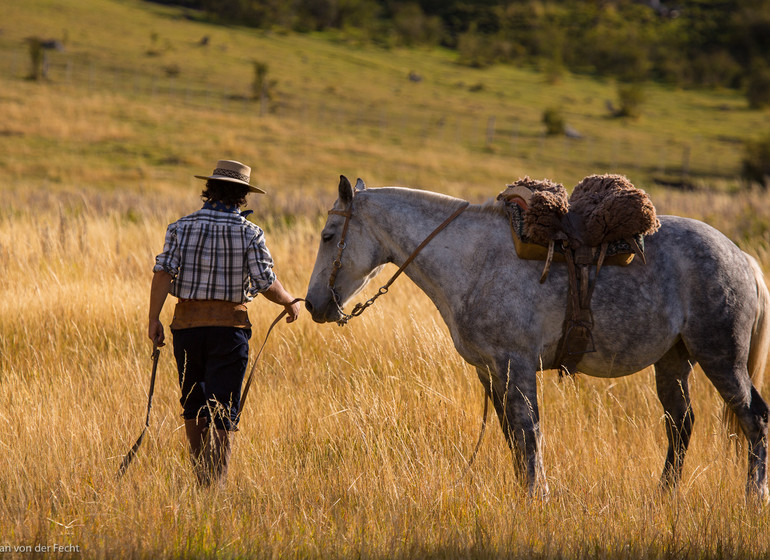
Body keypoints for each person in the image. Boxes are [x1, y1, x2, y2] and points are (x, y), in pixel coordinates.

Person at [148, 159, 301, 486]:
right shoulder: (250, 233)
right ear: (242, 196)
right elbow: (264, 282)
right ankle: (214, 485)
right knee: (223, 408)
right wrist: (289, 300)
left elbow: (163, 272)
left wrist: (152, 319)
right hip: (229, 330)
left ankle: (199, 476)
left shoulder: (180, 227)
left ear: (210, 189)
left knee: (192, 400)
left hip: (186, 327)